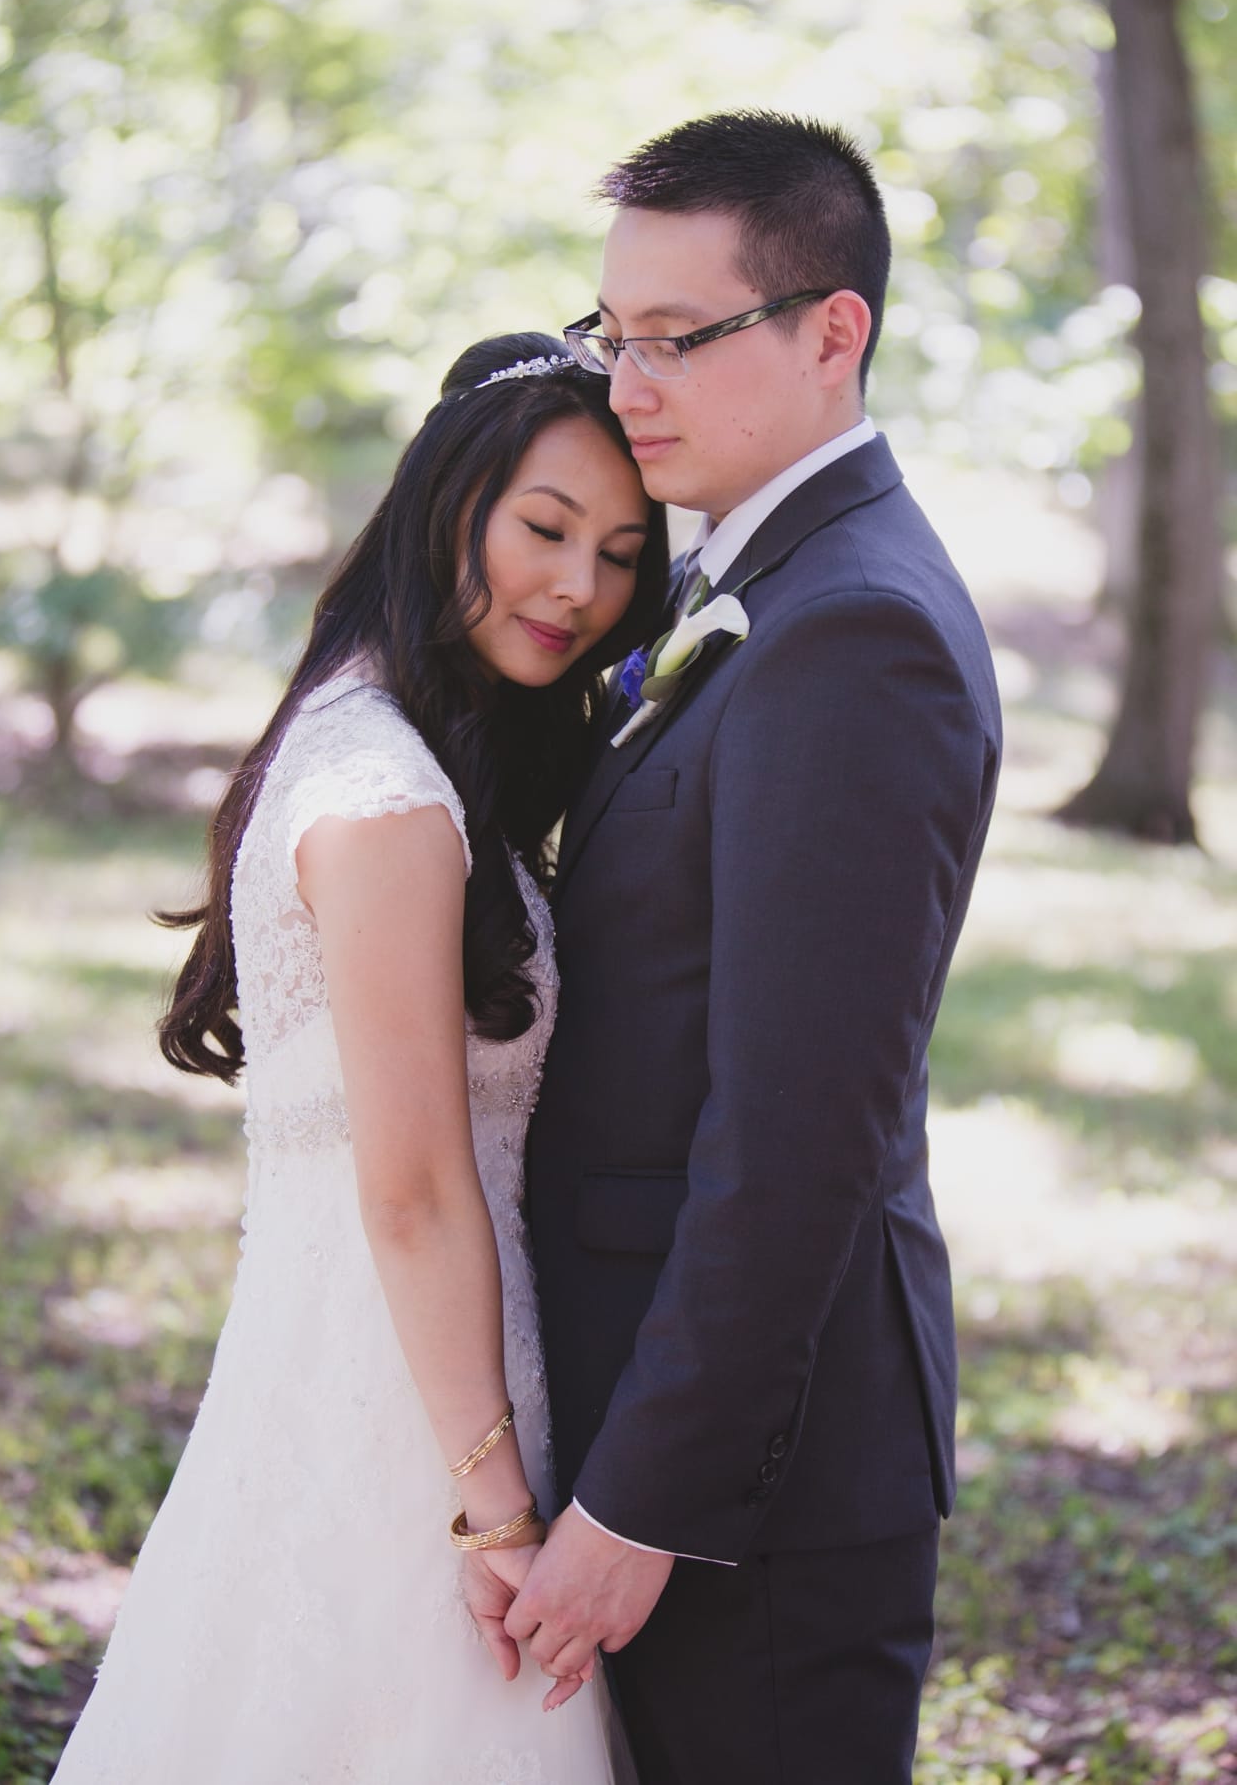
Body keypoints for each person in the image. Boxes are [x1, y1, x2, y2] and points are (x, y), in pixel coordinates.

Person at [49, 333, 669, 1785]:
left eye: (623, 551)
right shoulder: (386, 796)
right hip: (408, 1402)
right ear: (445, 504)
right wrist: (495, 1511)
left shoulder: (374, 738)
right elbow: (411, 1186)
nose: (580, 587)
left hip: (389, 1355)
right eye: (546, 528)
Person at [502, 112, 1003, 1782]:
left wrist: (646, 1501)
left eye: (673, 339)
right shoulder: (740, 577)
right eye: (609, 335)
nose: (624, 381)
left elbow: (801, 1135)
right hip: (657, 1412)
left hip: (757, 1499)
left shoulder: (856, 629)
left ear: (830, 330)